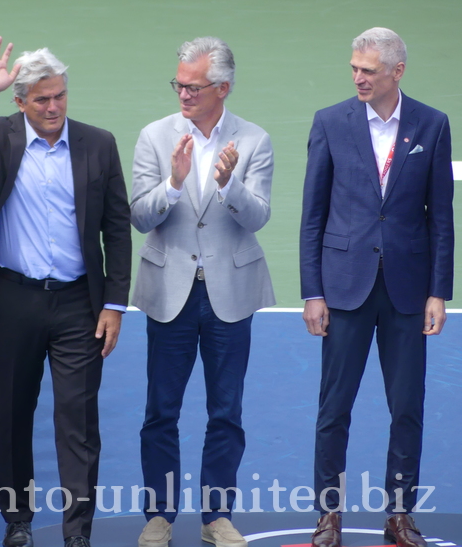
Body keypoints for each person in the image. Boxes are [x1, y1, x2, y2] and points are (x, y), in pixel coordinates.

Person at [0, 37, 132, 547]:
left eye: (60, 95)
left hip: (79, 305)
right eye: (41, 99)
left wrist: (114, 303)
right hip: (13, 299)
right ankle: (17, 522)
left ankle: (77, 532)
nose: (54, 107)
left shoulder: (98, 143)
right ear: (19, 102)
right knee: (13, 410)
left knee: (78, 420)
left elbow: (117, 227)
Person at [300, 28, 454, 547]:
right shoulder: (330, 123)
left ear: (397, 72)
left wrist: (440, 291)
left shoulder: (432, 125)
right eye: (354, 68)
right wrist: (312, 292)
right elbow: (313, 216)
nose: (358, 77)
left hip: (408, 291)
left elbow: (440, 219)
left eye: (368, 69)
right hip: (344, 289)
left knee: (406, 406)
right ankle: (328, 516)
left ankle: (399, 516)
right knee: (333, 408)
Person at [130, 37, 275, 547]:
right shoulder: (154, 136)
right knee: (160, 411)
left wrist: (229, 184)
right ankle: (159, 516)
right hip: (170, 291)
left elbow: (259, 215)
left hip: (230, 293)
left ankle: (216, 516)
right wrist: (173, 183)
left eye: (193, 86)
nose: (183, 94)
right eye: (179, 84)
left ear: (223, 88)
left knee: (225, 411)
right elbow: (139, 215)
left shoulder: (254, 140)